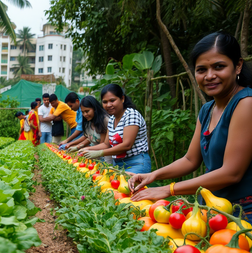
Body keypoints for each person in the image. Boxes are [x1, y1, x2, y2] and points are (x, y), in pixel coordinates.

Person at [128, 32, 252, 221]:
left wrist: (168, 189)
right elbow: (190, 160)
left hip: (242, 213)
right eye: (201, 69)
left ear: (238, 66)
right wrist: (152, 175)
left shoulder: (245, 104)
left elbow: (231, 173)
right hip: (211, 210)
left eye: (219, 67)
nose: (209, 76)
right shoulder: (207, 110)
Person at [79, 84, 151, 174]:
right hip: (119, 164)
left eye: (112, 100)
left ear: (122, 99)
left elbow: (127, 145)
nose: (108, 105)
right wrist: (88, 149)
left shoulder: (131, 115)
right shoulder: (112, 119)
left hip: (136, 163)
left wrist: (99, 153)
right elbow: (106, 144)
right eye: (105, 102)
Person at [64, 96, 113, 163]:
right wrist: (78, 147)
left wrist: (86, 148)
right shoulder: (89, 121)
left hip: (105, 156)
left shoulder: (104, 120)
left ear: (94, 109)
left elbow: (104, 144)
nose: (85, 114)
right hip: (94, 155)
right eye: (83, 112)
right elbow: (89, 138)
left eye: (87, 111)